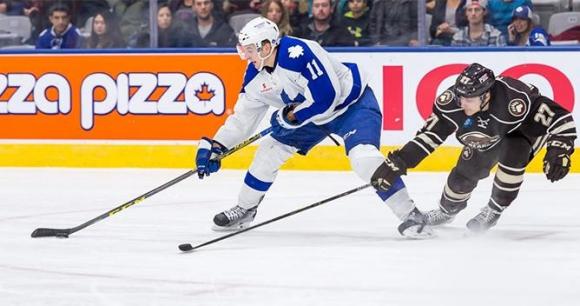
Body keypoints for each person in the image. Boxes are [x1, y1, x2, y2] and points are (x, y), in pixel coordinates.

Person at [195, 17, 434, 238]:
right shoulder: (255, 76)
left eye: (249, 50)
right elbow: (243, 118)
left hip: (351, 106)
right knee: (269, 150)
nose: (245, 56)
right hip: (309, 116)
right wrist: (217, 146)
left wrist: (289, 117)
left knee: (364, 158)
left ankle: (411, 215)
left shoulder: (298, 53)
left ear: (266, 46)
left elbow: (327, 97)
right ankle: (245, 210)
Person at [371, 63, 576, 233]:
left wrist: (559, 149)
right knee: (463, 175)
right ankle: (446, 211)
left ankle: (494, 209)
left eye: (469, 99)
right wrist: (399, 161)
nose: (462, 104)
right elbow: (429, 137)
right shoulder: (451, 103)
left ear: (486, 95)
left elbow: (561, 117)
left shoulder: (515, 100)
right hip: (488, 136)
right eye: (460, 97)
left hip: (522, 131)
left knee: (514, 153)